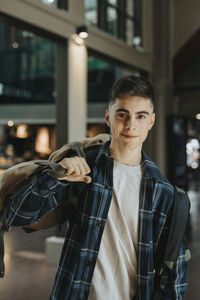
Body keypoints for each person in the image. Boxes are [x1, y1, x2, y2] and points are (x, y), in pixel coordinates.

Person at [7, 75, 189, 300]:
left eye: (140, 116)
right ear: (108, 117)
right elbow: (17, 216)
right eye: (122, 115)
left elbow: (176, 276)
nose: (131, 124)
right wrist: (55, 176)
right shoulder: (84, 170)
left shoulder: (165, 194)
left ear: (151, 121)